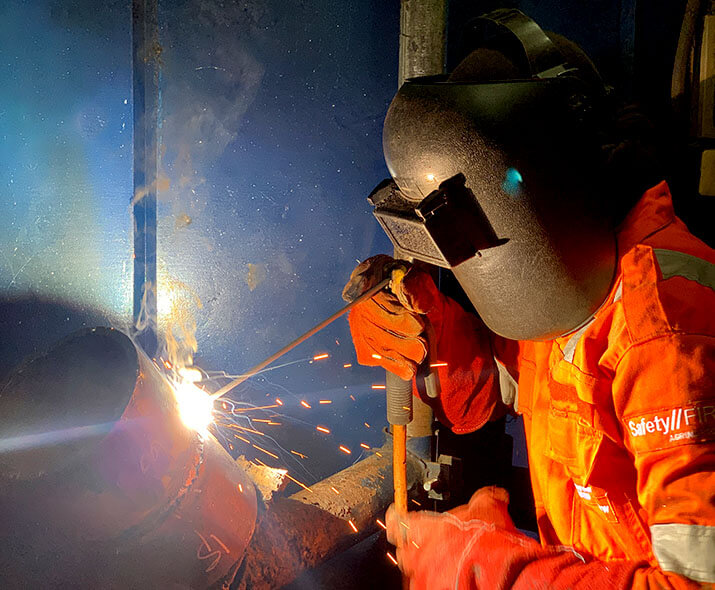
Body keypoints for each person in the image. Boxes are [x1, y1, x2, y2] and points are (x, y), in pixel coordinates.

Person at [342, 9, 715, 589]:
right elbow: (482, 403)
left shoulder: (664, 323)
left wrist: (496, 568)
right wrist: (430, 326)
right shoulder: (559, 287)